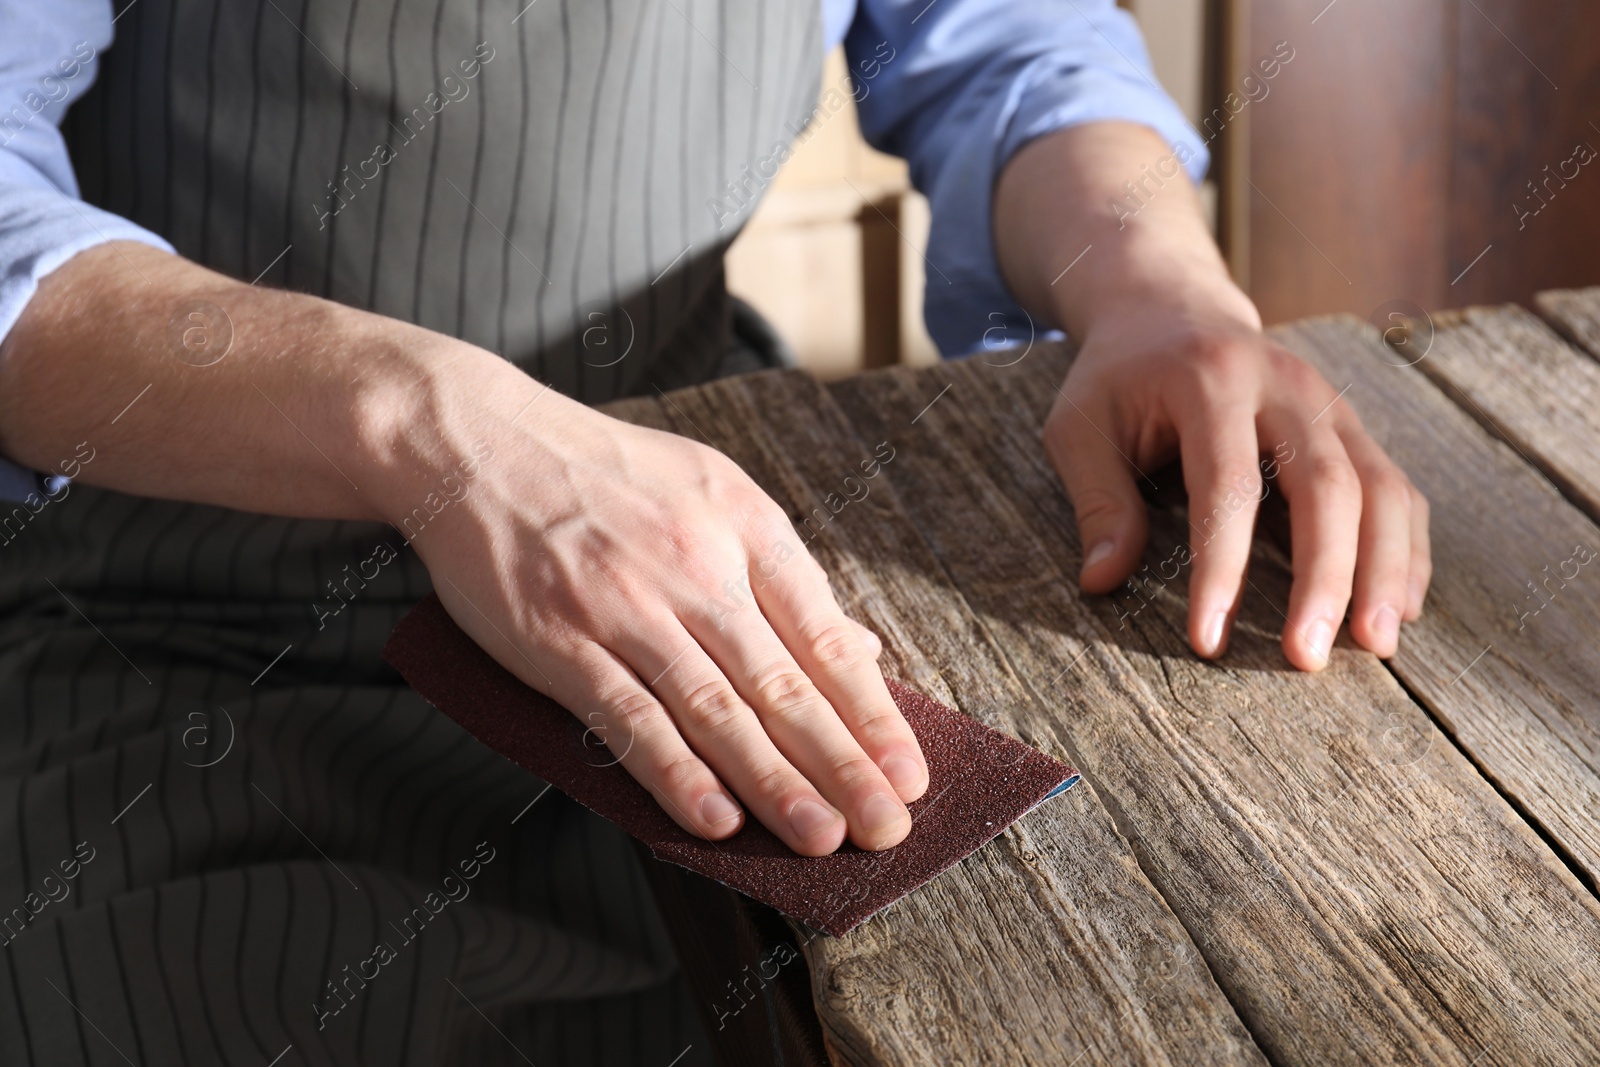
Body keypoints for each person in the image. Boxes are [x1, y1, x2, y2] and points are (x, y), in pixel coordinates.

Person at [0, 0, 1430, 1062]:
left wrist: (1156, 281)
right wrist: (440, 430)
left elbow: (1001, 35)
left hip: (727, 574)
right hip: (182, 630)